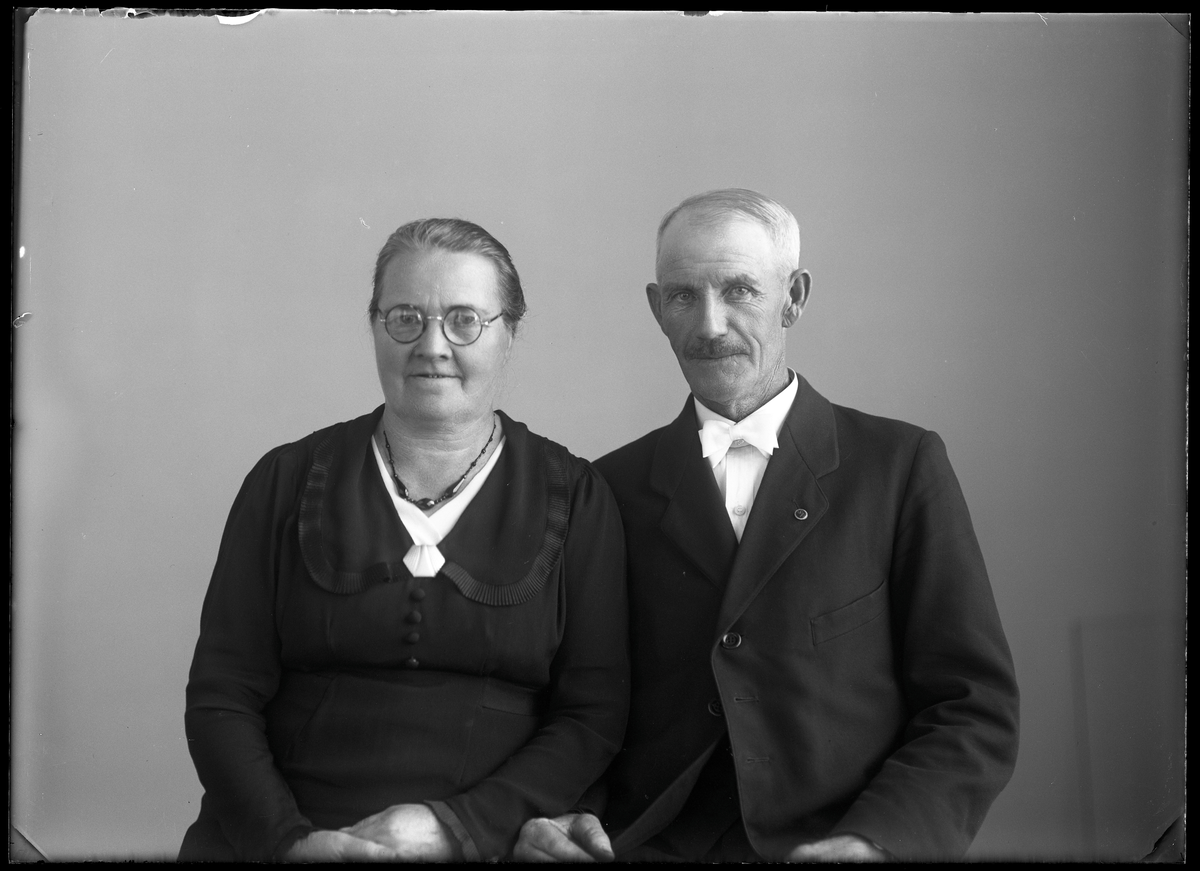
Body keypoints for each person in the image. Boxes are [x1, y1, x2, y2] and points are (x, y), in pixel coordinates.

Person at [515, 189, 1019, 863]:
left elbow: (972, 706)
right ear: (656, 308)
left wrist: (873, 842)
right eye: (683, 295)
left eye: (740, 290)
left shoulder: (899, 465)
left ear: (794, 297)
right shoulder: (607, 489)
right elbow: (581, 709)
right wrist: (558, 820)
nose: (710, 324)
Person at [179, 218, 630, 862]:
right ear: (374, 327)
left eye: (465, 321)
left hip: (489, 842)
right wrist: (290, 844)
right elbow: (223, 694)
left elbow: (592, 718)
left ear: (509, 333)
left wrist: (454, 829)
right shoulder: (283, 479)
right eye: (405, 319)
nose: (433, 345)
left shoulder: (579, 498)